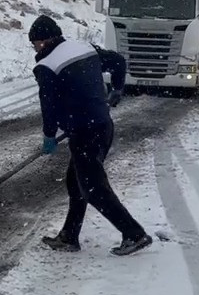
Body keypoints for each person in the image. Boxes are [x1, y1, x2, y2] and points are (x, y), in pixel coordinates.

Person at [29, 15, 152, 256]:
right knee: (76, 183)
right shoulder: (84, 48)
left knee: (93, 189)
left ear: (42, 41)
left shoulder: (46, 66)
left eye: (34, 43)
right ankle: (69, 236)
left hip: (85, 131)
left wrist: (49, 135)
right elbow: (117, 61)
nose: (34, 48)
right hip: (102, 127)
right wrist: (117, 88)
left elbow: (49, 105)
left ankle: (134, 234)